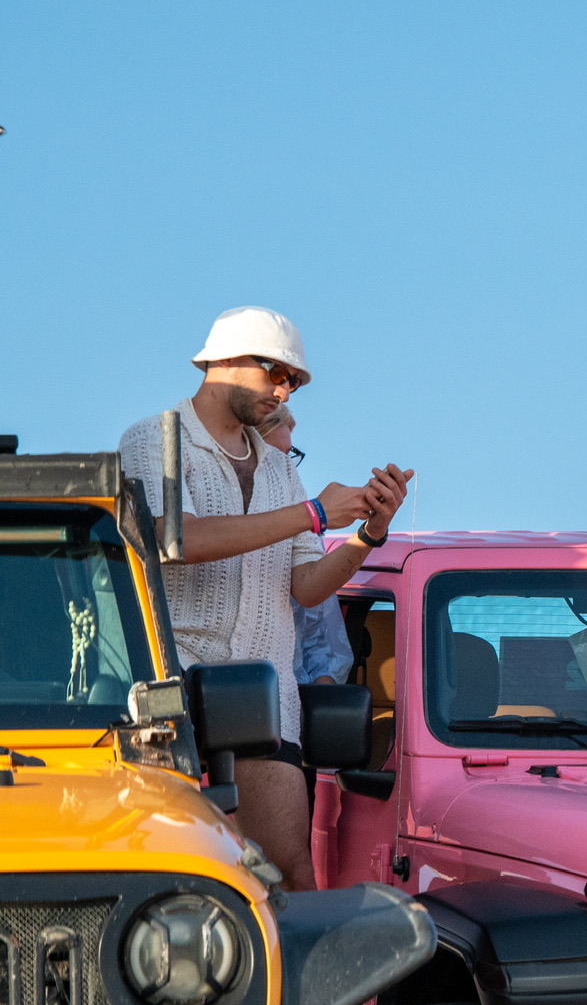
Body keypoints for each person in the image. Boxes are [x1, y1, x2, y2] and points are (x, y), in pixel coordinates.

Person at [118, 307, 411, 892]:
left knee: (290, 873)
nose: (285, 392)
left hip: (265, 698)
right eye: (277, 374)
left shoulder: (278, 466)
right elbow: (180, 540)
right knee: (178, 876)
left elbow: (307, 586)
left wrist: (368, 534)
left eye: (294, 382)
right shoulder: (152, 437)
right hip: (171, 695)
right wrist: (314, 513)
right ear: (225, 361)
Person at [257, 406, 355, 683]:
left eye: (289, 456)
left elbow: (322, 642)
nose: (285, 469)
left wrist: (373, 531)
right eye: (272, 457)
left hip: (288, 701)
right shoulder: (208, 520)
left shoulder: (305, 533)